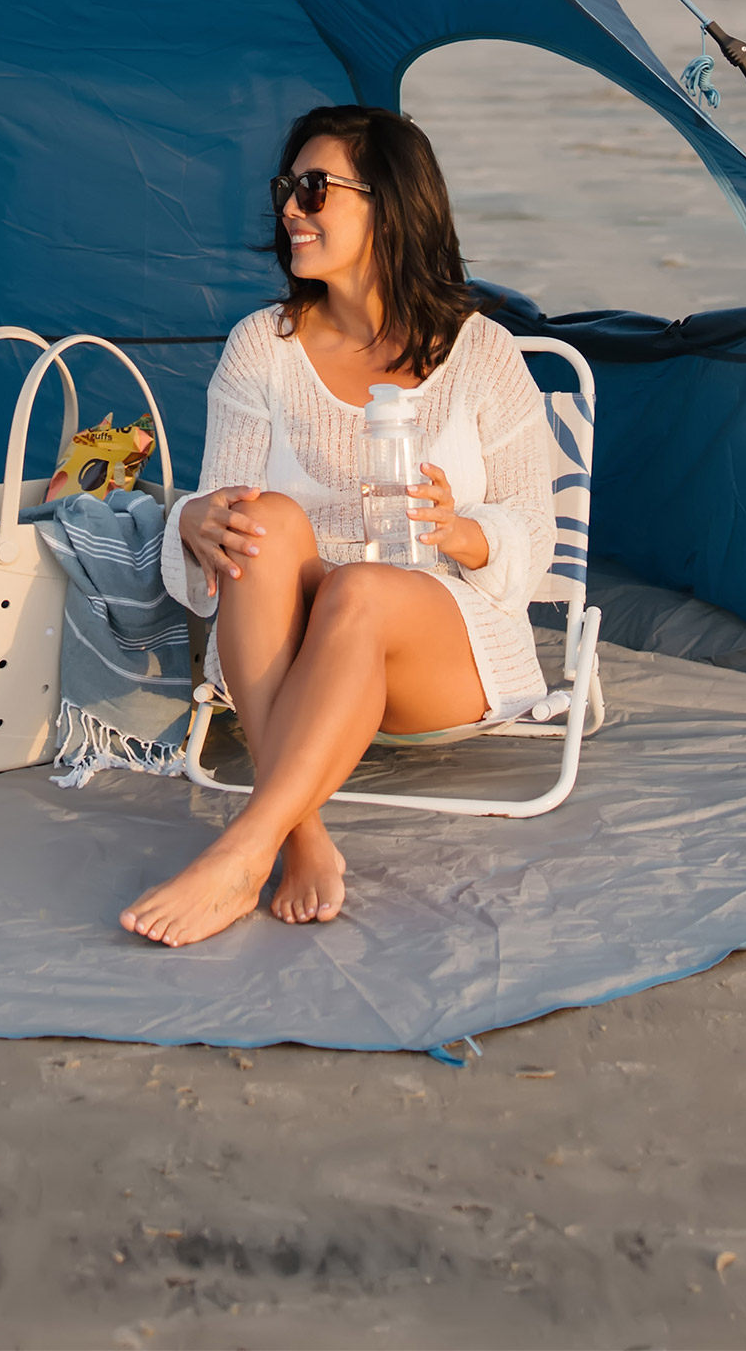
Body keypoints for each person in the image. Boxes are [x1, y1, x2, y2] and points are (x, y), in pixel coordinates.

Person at [119, 104, 565, 947]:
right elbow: (219, 531)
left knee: (360, 588)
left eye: (315, 190)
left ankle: (243, 849)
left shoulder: (483, 355)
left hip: (438, 646)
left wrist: (462, 531)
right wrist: (193, 519)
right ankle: (299, 835)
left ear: (391, 204)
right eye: (288, 188)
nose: (290, 207)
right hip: (290, 649)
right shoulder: (264, 347)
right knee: (261, 517)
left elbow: (532, 537)